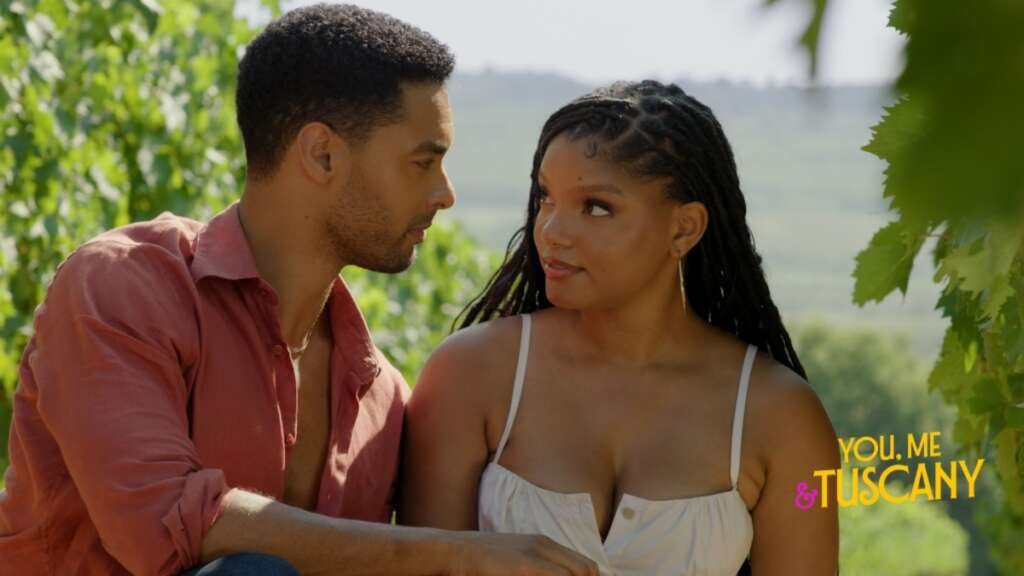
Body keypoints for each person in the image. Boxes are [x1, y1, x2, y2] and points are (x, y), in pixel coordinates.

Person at [0, 4, 598, 575]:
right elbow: (166, 525)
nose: (445, 194)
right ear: (322, 154)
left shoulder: (381, 396)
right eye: (423, 162)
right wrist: (461, 555)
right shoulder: (122, 287)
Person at [399, 80, 840, 575]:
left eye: (596, 207)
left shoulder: (785, 418)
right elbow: (421, 566)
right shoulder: (470, 374)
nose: (550, 231)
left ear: (684, 228)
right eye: (546, 197)